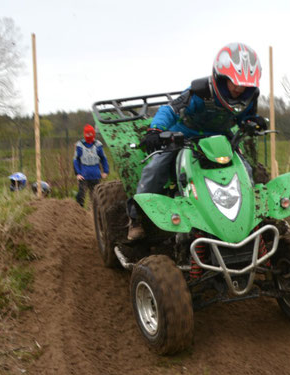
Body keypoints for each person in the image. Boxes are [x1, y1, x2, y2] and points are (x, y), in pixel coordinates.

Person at [127, 42, 268, 241]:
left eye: (244, 83)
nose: (238, 88)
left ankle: (251, 220)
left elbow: (243, 118)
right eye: (234, 82)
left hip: (220, 140)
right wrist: (155, 130)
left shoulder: (249, 96)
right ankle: (136, 218)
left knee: (246, 170)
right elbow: (171, 110)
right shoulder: (199, 92)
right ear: (221, 77)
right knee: (156, 168)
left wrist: (253, 122)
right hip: (185, 136)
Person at [73, 124, 109, 207]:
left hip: (96, 175)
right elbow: (75, 160)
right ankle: (79, 212)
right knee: (81, 195)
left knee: (95, 198)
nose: (89, 135)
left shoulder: (98, 145)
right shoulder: (80, 145)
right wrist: (77, 173)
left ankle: (93, 214)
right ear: (84, 134)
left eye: (90, 134)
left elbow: (103, 158)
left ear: (93, 134)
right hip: (84, 175)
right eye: (87, 134)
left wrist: (105, 171)